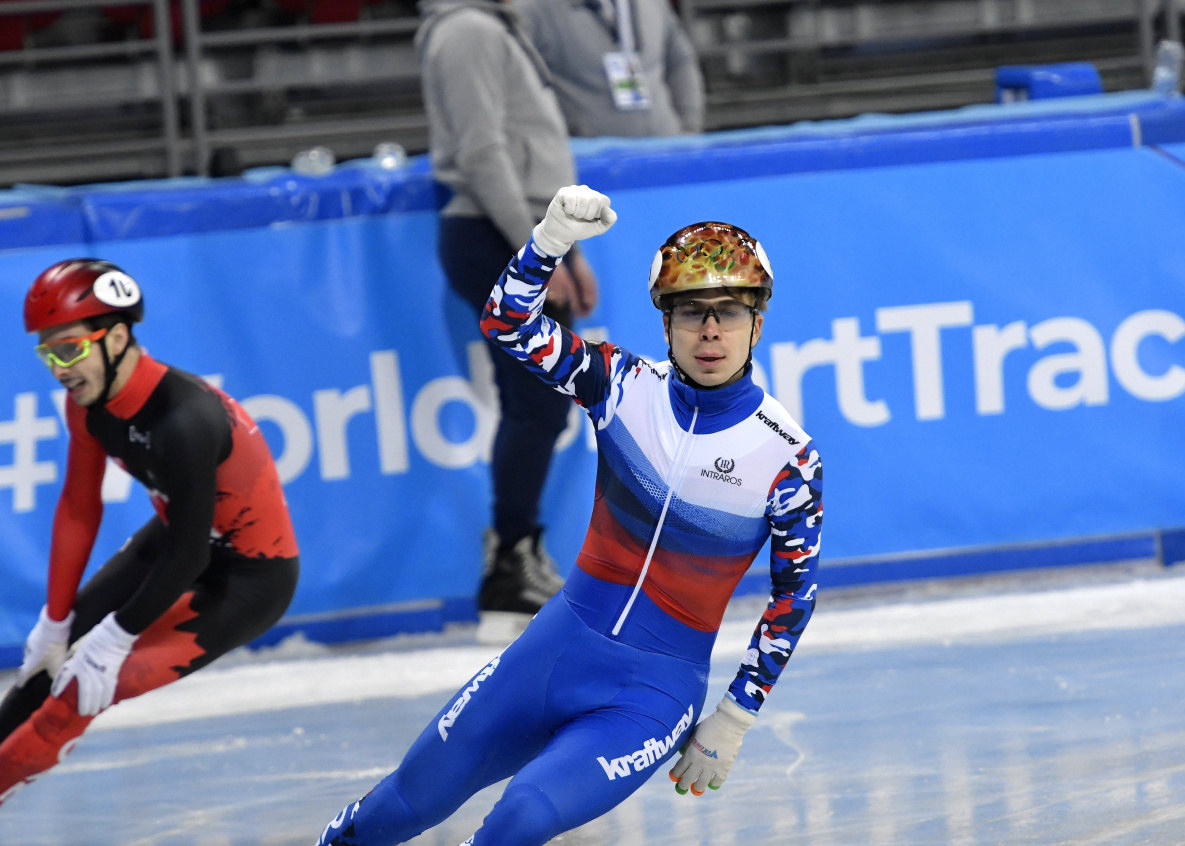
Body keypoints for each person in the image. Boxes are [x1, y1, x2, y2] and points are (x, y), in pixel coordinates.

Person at [314, 185, 823, 846]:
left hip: (650, 695)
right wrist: (548, 241)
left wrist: (735, 715)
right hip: (554, 650)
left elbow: (794, 596)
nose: (709, 331)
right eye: (690, 312)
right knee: (402, 804)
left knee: (522, 815)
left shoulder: (788, 455)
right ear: (665, 323)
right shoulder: (621, 385)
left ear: (757, 322)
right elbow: (507, 324)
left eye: (728, 311)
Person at [0, 259, 300, 805]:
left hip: (248, 581)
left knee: (78, 691)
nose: (60, 370)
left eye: (69, 350)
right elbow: (78, 507)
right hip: (175, 541)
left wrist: (114, 638)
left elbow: (189, 555)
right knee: (40, 670)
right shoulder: (86, 405)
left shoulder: (186, 419)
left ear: (116, 338)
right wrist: (56, 620)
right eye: (48, 355)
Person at [417, 0, 601, 643]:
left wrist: (567, 247)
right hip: (496, 234)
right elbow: (482, 151)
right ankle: (508, 569)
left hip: (519, 231)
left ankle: (516, 560)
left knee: (539, 399)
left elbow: (529, 153)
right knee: (536, 401)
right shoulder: (467, 31)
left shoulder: (492, 26)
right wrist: (537, 249)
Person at [516, 0, 705, 137]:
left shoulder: (652, 4)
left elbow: (681, 61)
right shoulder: (534, 9)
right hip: (588, 164)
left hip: (665, 152)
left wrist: (689, 127)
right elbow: (513, 83)